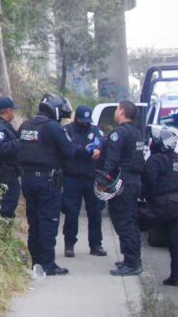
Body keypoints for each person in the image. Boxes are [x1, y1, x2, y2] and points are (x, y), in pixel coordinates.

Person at [17, 93, 90, 276]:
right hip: (47, 181)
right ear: (55, 110)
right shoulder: (53, 127)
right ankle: (48, 264)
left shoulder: (26, 125)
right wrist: (84, 150)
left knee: (34, 222)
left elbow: (18, 150)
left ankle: (36, 262)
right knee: (48, 222)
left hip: (27, 180)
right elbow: (68, 151)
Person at [139, 126, 178, 287]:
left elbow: (149, 182)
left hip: (163, 203)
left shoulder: (155, 160)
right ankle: (177, 276)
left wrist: (147, 200)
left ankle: (132, 262)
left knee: (134, 223)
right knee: (176, 243)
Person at [102, 100, 146, 276]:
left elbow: (112, 159)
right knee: (131, 220)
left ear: (121, 111)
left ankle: (132, 263)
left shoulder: (119, 133)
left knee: (123, 221)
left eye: (117, 109)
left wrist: (103, 178)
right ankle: (133, 259)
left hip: (122, 182)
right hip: (134, 181)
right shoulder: (137, 132)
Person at [61, 105, 107, 257]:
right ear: (76, 119)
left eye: (87, 121)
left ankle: (96, 245)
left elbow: (102, 144)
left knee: (95, 212)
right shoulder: (67, 130)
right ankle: (69, 244)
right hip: (72, 177)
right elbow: (67, 148)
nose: (85, 124)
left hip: (91, 177)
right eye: (82, 121)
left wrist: (98, 150)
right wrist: (85, 149)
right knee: (71, 212)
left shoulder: (96, 130)